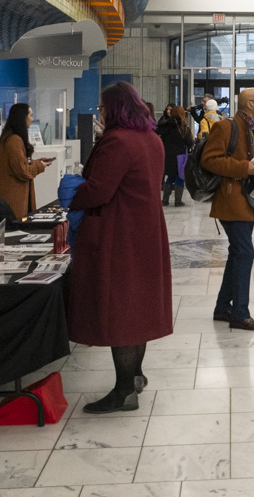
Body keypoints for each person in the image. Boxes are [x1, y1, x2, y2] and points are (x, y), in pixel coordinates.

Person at [66, 82, 172, 414]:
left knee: (120, 310)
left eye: (102, 108)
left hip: (119, 232)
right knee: (137, 306)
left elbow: (99, 190)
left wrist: (72, 197)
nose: (100, 113)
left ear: (114, 109)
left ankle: (125, 390)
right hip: (146, 231)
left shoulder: (117, 141)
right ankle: (136, 375)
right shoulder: (152, 139)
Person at [201, 87, 254, 331]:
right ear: (249, 104)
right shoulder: (226, 127)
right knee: (245, 252)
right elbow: (209, 160)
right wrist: (245, 168)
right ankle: (240, 313)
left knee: (237, 253)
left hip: (248, 199)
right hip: (231, 200)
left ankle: (223, 307)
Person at [0, 103, 52, 218]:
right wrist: (40, 166)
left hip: (12, 192)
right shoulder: (14, 140)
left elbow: (19, 163)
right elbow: (21, 170)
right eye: (31, 115)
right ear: (23, 117)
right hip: (12, 194)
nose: (32, 119)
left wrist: (38, 161)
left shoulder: (11, 137)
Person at [156, 106, 195, 207]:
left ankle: (165, 200)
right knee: (180, 177)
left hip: (167, 154)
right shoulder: (183, 126)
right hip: (180, 155)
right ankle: (178, 201)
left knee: (170, 177)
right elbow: (189, 142)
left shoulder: (165, 125)